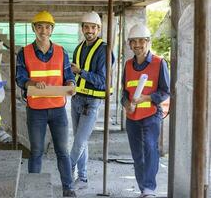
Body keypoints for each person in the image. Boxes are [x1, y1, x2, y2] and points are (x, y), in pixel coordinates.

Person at [15, 11, 76, 197]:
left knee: (63, 151)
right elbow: (20, 77)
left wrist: (71, 84)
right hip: (36, 110)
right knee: (36, 151)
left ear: (52, 30)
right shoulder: (24, 52)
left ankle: (68, 188)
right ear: (34, 28)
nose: (43, 30)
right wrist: (31, 83)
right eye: (39, 26)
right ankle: (34, 190)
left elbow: (68, 76)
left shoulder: (61, 51)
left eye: (47, 27)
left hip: (58, 109)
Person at [121, 24, 170, 198]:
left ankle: (149, 189)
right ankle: (143, 188)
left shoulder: (159, 63)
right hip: (132, 116)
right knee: (137, 154)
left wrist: (146, 99)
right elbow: (124, 93)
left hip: (151, 115)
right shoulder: (127, 65)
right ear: (129, 44)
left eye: (142, 40)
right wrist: (127, 103)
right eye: (133, 41)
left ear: (148, 42)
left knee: (150, 149)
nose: (138, 44)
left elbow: (165, 91)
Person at [70, 11, 114, 189]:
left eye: (93, 27)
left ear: (99, 29)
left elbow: (102, 80)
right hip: (77, 99)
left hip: (92, 101)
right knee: (82, 142)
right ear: (82, 28)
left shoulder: (104, 50)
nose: (89, 30)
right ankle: (83, 178)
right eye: (86, 27)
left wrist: (80, 72)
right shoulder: (79, 47)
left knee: (79, 142)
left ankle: (66, 170)